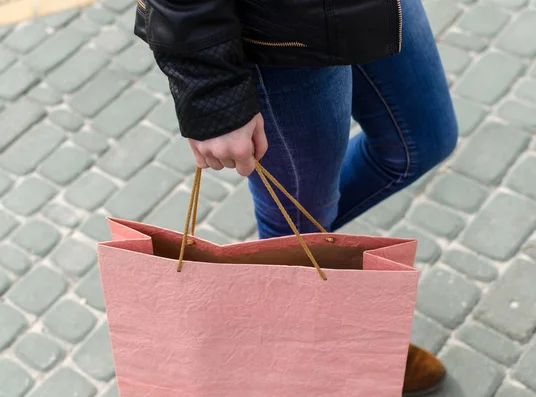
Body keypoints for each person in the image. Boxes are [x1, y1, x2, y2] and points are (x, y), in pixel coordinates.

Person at [135, 0, 458, 395]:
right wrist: (209, 87)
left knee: (420, 143)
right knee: (299, 220)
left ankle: (267, 293)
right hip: (277, 23)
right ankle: (306, 347)